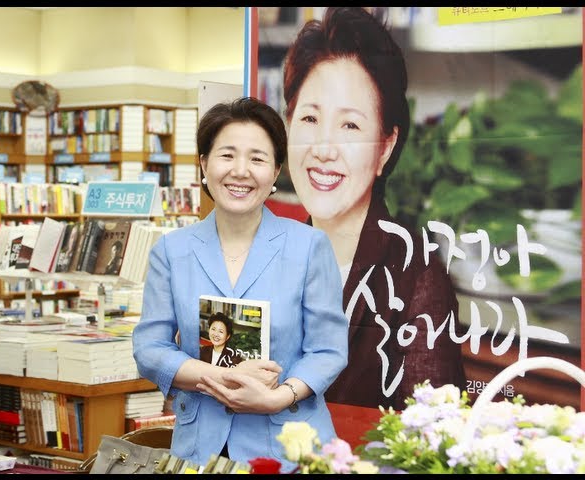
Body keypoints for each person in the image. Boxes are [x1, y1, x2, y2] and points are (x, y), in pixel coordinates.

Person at [133, 97, 348, 470]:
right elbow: (149, 349)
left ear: (276, 171)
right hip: (200, 448)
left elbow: (328, 350)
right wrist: (220, 378)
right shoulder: (171, 250)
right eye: (227, 155)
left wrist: (279, 397)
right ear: (204, 164)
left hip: (289, 443)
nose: (241, 171)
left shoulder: (309, 246)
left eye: (257, 159)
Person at [282, 7, 466, 411]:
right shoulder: (272, 253)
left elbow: (430, 430)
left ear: (385, 147)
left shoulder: (416, 276)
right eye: (310, 118)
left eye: (350, 125)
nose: (323, 149)